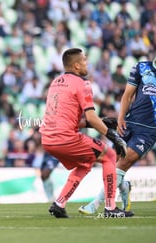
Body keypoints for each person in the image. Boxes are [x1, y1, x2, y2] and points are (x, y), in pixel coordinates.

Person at [39, 48, 132, 218]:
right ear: (76, 65)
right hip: (65, 138)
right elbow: (90, 115)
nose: (87, 63)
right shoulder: (83, 84)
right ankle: (111, 208)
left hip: (47, 139)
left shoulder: (55, 82)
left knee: (85, 163)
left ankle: (59, 203)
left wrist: (100, 122)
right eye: (84, 60)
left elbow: (72, 120)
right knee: (109, 155)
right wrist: (112, 135)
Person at [79, 57, 156, 215]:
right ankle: (123, 187)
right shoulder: (142, 67)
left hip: (149, 131)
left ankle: (96, 204)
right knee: (114, 163)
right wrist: (121, 118)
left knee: (123, 163)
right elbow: (127, 95)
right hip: (129, 123)